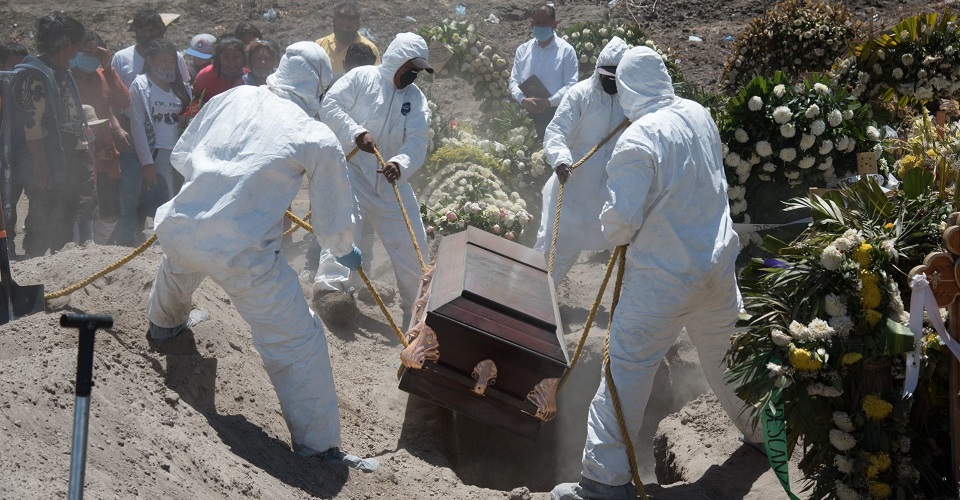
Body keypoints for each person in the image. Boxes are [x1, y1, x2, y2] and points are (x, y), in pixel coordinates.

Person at [145, 41, 378, 472]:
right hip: (243, 256)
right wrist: (344, 249)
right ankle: (320, 449)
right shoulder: (314, 135)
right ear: (319, 88)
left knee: (180, 263)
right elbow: (333, 218)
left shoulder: (233, 96)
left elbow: (183, 153)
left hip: (181, 224)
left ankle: (163, 328)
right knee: (297, 343)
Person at [550, 47, 761, 500]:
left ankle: (603, 483)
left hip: (661, 281)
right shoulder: (699, 114)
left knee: (625, 370)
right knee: (730, 359)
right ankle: (765, 435)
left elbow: (619, 224)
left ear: (626, 89)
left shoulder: (638, 139)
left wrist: (614, 223)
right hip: (717, 270)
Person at [316, 32, 432, 328]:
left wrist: (399, 163)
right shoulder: (361, 78)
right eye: (410, 68)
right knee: (345, 226)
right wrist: (356, 132)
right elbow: (329, 106)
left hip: (392, 182)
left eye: (418, 71)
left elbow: (417, 142)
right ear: (395, 60)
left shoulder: (416, 100)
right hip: (352, 171)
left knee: (412, 243)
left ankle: (417, 308)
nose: (414, 75)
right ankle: (330, 293)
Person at [534, 37, 627, 284]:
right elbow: (556, 131)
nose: (612, 83)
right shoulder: (581, 94)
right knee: (557, 248)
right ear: (598, 71)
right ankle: (536, 300)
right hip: (574, 184)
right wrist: (561, 160)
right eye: (607, 77)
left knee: (625, 246)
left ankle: (627, 308)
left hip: (609, 189)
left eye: (617, 78)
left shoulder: (630, 101)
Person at [12, 15, 97, 257]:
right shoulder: (36, 75)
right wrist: (41, 166)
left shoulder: (60, 73)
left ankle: (61, 278)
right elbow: (33, 125)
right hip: (47, 165)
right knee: (41, 224)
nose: (79, 52)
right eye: (78, 45)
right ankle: (33, 276)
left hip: (67, 163)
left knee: (64, 225)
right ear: (66, 43)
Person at [111, 8, 190, 247]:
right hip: (139, 145)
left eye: (153, 31)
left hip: (175, 152)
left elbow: (186, 103)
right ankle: (129, 242)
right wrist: (147, 159)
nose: (148, 35)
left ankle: (172, 243)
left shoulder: (179, 82)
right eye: (142, 31)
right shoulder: (131, 71)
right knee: (134, 196)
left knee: (174, 199)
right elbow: (136, 119)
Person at [303, 40, 379, 275]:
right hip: (335, 160)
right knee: (326, 212)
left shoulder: (380, 90)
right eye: (354, 68)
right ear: (345, 65)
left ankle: (363, 269)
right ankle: (312, 264)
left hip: (365, 164)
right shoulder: (332, 87)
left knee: (364, 221)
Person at [70, 30, 131, 244]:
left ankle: (98, 250)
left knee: (110, 210)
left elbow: (123, 102)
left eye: (94, 51)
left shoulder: (103, 75)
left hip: (106, 156)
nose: (89, 55)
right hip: (78, 155)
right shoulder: (65, 79)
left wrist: (108, 68)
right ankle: (81, 251)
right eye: (84, 51)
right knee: (82, 210)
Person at [127, 38, 191, 217]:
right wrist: (147, 161)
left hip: (180, 151)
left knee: (180, 198)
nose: (168, 65)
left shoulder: (182, 88)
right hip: (157, 152)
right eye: (163, 60)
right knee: (164, 199)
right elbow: (137, 124)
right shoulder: (140, 85)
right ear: (150, 61)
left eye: (171, 61)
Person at [508, 4, 578, 142]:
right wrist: (523, 100)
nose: (541, 27)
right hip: (524, 111)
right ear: (531, 24)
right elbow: (513, 81)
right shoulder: (522, 50)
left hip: (554, 114)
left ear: (554, 24)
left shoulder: (566, 51)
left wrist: (549, 102)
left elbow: (571, 85)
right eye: (537, 24)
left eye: (545, 23)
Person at [0, 41, 29, 256]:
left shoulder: (27, 91)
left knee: (11, 203)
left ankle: (11, 246)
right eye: (12, 66)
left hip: (19, 157)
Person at [316, 1, 380, 80]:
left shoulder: (369, 49)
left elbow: (375, 80)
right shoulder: (319, 45)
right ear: (334, 22)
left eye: (349, 27)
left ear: (357, 26)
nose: (344, 29)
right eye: (340, 25)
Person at [192, 36, 247, 105]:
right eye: (226, 57)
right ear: (219, 58)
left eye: (236, 57)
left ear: (243, 57)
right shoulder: (206, 75)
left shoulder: (249, 78)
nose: (231, 62)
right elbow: (195, 100)